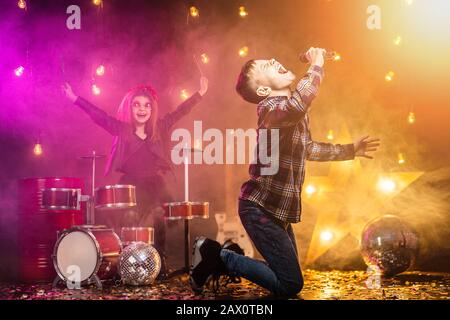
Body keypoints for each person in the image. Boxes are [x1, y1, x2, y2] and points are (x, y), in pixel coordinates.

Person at [189, 47, 380, 296]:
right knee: (290, 284)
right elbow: (298, 104)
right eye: (266, 65)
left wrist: (350, 150)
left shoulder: (291, 112)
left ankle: (219, 257)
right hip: (259, 208)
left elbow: (307, 148)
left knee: (285, 275)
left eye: (270, 59)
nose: (274, 60)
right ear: (264, 91)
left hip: (278, 211)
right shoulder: (271, 111)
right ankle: (216, 255)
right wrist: (317, 65)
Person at [62, 76, 208, 278]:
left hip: (155, 184)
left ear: (152, 109)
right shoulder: (122, 129)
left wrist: (199, 94)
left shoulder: (160, 128)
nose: (142, 109)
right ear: (130, 108)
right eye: (137, 105)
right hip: (131, 185)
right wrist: (75, 98)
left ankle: (161, 260)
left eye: (147, 105)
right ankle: (128, 260)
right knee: (130, 218)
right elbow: (99, 116)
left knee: (158, 214)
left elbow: (179, 112)